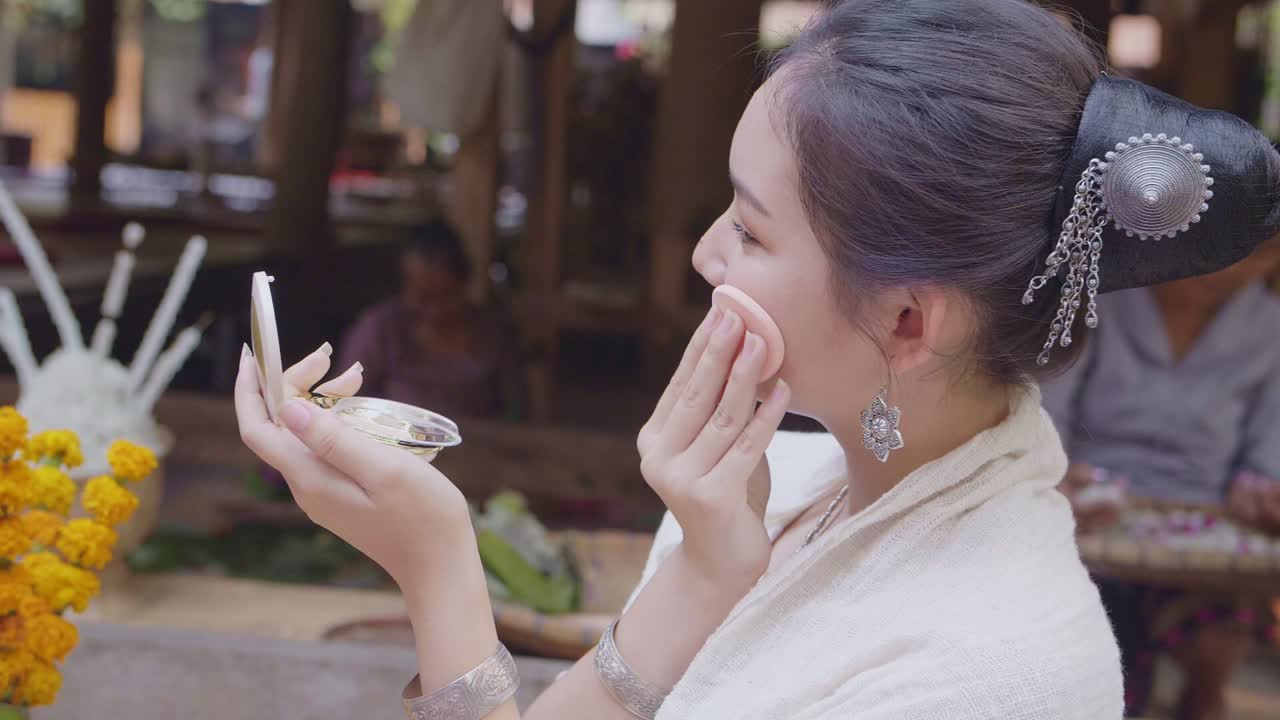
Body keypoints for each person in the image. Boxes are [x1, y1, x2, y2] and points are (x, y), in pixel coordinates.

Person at [234, 1, 1280, 718]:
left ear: (907, 323)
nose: (704, 254)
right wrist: (699, 575)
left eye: (746, 227)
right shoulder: (778, 487)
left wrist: (437, 570)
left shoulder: (993, 673)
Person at [1044, 236, 1280, 720]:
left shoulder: (1270, 328)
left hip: (1205, 526)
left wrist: (1258, 486)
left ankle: (1202, 696)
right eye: (1223, 242)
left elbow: (1267, 453)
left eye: (1258, 253)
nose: (1231, 265)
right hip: (1091, 514)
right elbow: (1047, 422)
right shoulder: (1100, 298)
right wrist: (1056, 482)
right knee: (1103, 651)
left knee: (1218, 638)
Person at [335, 220, 518, 420]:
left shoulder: (493, 333)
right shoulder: (379, 330)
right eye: (424, 298)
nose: (435, 311)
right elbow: (341, 403)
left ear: (464, 285)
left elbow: (516, 410)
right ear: (404, 288)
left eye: (446, 296)